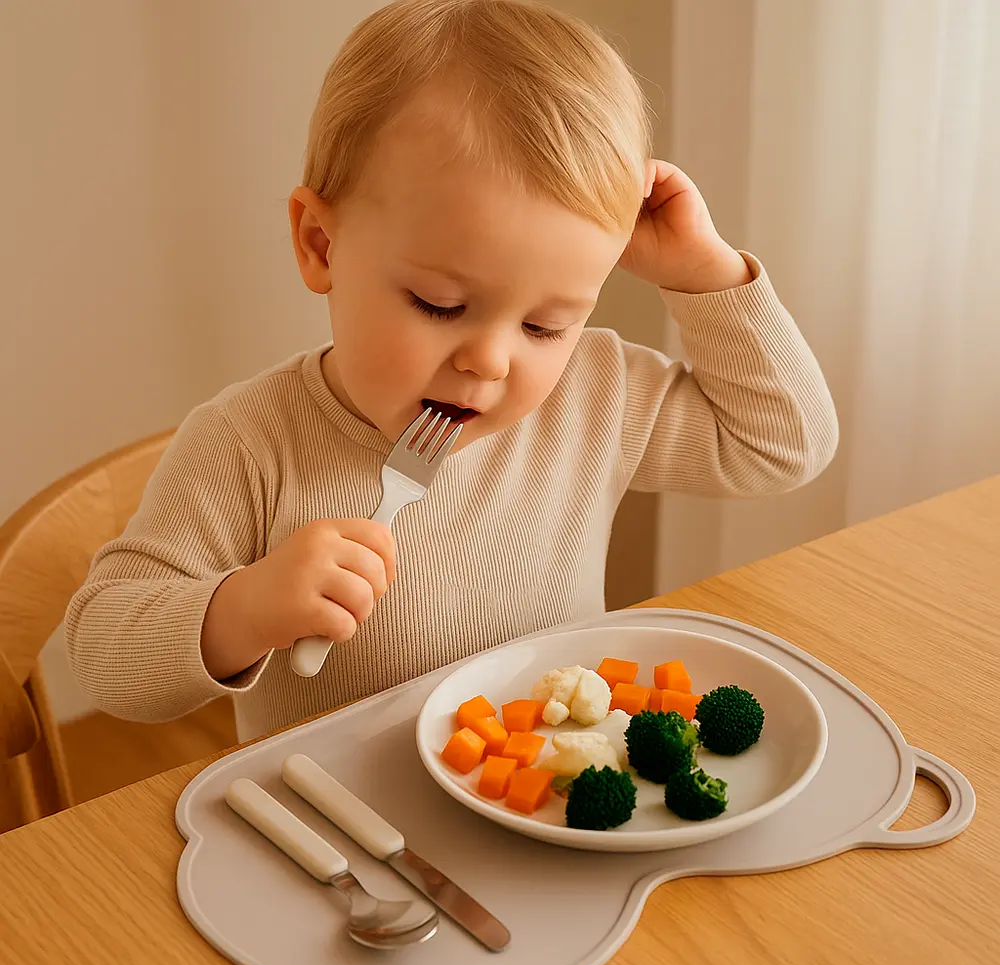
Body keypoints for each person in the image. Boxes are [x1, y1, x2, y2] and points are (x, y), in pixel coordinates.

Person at [66, 0, 838, 741]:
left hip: (541, 790)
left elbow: (783, 446)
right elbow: (103, 656)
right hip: (336, 811)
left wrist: (705, 275)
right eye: (440, 305)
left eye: (546, 325)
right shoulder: (248, 443)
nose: (490, 361)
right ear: (321, 246)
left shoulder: (596, 396)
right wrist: (241, 611)